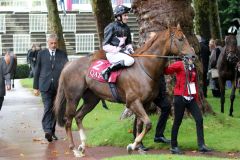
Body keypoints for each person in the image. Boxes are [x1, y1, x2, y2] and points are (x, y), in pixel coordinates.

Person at [164, 54, 212, 154]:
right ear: (186, 57)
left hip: (191, 98)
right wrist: (165, 62)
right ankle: (173, 146)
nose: (193, 59)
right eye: (191, 57)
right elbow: (167, 71)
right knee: (177, 121)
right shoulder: (179, 64)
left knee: (199, 119)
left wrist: (196, 99)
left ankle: (201, 145)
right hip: (180, 97)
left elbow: (194, 83)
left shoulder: (193, 67)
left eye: (194, 57)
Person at [33, 34, 68, 142]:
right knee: (48, 107)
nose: (53, 45)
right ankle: (47, 130)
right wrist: (35, 87)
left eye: (55, 43)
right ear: (48, 43)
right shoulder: (41, 54)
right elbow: (37, 70)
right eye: (51, 43)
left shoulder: (62, 54)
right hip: (45, 85)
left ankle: (52, 132)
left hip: (58, 87)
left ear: (57, 43)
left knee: (55, 109)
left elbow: (66, 70)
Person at [122, 75, 171, 151]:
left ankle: (158, 135)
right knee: (140, 113)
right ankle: (137, 141)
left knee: (166, 106)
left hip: (157, 89)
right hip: (145, 89)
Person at [101, 5, 135, 81]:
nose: (127, 17)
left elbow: (128, 43)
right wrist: (118, 49)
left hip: (123, 53)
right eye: (125, 15)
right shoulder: (111, 27)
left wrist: (130, 50)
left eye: (127, 15)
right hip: (112, 54)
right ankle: (107, 70)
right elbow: (105, 46)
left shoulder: (127, 27)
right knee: (130, 61)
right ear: (118, 17)